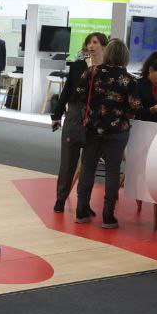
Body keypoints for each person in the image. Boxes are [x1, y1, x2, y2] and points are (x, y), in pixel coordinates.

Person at [74, 39, 142, 228]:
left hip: (92, 128)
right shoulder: (129, 80)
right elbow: (136, 106)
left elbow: (79, 94)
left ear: (107, 53)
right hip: (117, 130)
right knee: (113, 170)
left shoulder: (91, 72)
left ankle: (81, 212)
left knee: (88, 167)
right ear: (125, 56)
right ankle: (108, 216)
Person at [49, 32, 108, 213]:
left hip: (97, 118)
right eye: (89, 43)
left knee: (89, 165)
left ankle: (84, 204)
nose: (91, 46)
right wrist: (56, 115)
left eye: (95, 42)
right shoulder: (77, 66)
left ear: (104, 46)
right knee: (68, 162)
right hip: (75, 115)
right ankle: (60, 200)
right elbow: (66, 92)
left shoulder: (108, 69)